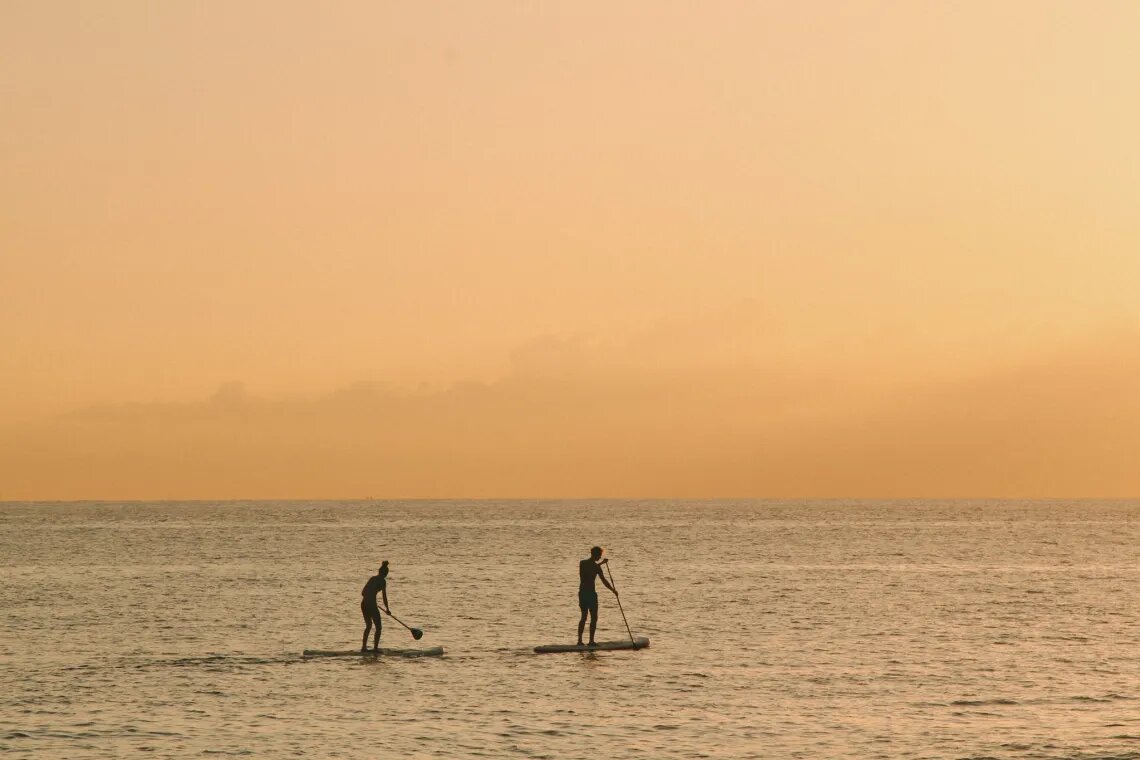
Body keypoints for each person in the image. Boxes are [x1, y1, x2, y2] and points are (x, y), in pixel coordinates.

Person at [578, 546, 617, 646]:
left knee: (583, 616)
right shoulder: (596, 567)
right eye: (599, 555)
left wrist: (601, 564)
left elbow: (592, 568)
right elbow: (604, 581)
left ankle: (579, 641)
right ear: (595, 554)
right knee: (593, 617)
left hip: (582, 593)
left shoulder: (582, 563)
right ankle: (591, 641)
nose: (600, 557)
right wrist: (613, 590)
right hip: (590, 594)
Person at [361, 561, 390, 652]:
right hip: (371, 604)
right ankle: (375, 649)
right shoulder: (383, 581)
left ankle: (364, 647)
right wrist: (387, 609)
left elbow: (363, 593)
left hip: (364, 603)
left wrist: (370, 599)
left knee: (368, 625)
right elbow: (384, 597)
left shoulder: (372, 578)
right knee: (378, 627)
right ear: (385, 574)